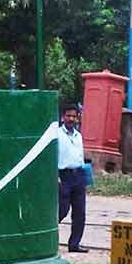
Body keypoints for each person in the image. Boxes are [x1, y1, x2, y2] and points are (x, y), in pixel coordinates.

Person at [58, 103, 87, 253]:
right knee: (62, 210)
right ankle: (46, 237)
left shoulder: (78, 135)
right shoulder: (57, 135)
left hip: (79, 176)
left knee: (80, 212)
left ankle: (74, 244)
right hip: (63, 176)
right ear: (63, 117)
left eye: (74, 116)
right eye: (68, 116)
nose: (71, 119)